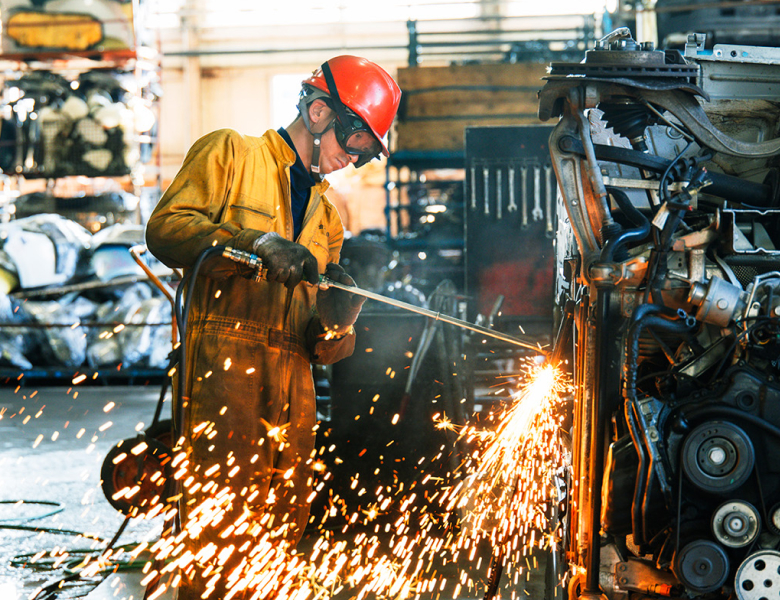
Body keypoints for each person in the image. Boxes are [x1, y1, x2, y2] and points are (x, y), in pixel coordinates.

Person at [144, 55, 401, 599]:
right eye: (354, 144)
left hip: (293, 393)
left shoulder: (330, 220)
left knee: (283, 535)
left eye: (364, 156)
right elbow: (166, 231)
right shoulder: (230, 153)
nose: (352, 162)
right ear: (319, 110)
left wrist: (340, 320)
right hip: (224, 374)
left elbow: (320, 348)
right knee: (219, 529)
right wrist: (253, 241)